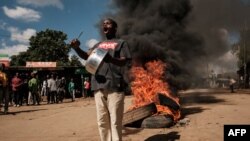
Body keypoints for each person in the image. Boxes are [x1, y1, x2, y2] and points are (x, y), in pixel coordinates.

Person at [70, 18, 131, 141]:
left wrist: (111, 59)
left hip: (115, 85)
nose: (105, 25)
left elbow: (125, 61)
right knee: (102, 122)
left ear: (115, 28)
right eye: (104, 24)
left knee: (115, 122)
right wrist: (76, 48)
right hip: (98, 85)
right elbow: (86, 56)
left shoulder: (121, 43)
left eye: (108, 23)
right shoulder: (97, 45)